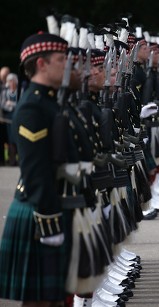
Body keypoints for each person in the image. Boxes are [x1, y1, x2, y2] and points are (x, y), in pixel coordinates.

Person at [0, 32, 69, 305]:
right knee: (39, 300)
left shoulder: (49, 101)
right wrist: (49, 218)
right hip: (39, 208)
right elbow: (35, 169)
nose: (66, 65)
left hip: (47, 203)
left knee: (50, 298)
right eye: (61, 59)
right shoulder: (32, 106)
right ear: (42, 63)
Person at [1, 73, 18, 165]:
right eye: (9, 81)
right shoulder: (5, 92)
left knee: (16, 138)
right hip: (8, 118)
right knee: (9, 139)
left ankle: (17, 158)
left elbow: (20, 103)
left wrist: (11, 104)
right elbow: (3, 104)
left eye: (12, 81)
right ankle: (11, 160)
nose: (11, 83)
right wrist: (10, 107)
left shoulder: (20, 91)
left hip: (16, 117)